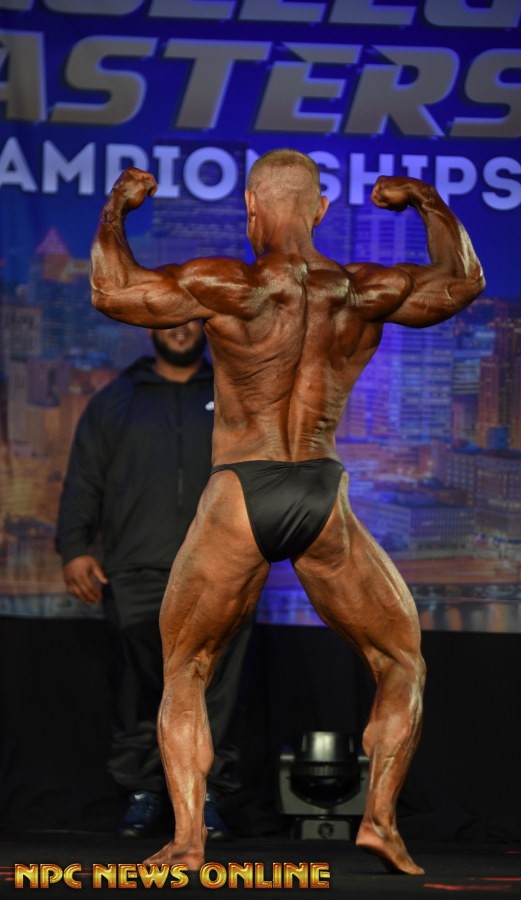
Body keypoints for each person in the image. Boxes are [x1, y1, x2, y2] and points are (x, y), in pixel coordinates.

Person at [89, 150, 485, 874]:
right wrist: (426, 199)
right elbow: (462, 282)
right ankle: (381, 821)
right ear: (321, 209)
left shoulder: (231, 284)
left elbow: (111, 292)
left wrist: (117, 205)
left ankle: (187, 841)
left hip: (240, 490)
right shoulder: (360, 290)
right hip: (319, 490)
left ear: (250, 208)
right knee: (400, 660)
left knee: (187, 667)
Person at [55, 321, 252, 839]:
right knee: (138, 690)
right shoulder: (114, 400)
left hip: (220, 569)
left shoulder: (232, 396)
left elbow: (263, 476)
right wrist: (74, 549)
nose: (180, 330)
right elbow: (84, 478)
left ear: (204, 327)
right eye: (169, 321)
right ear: (151, 329)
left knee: (218, 690)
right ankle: (143, 792)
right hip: (137, 570)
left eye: (190, 319)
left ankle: (208, 796)